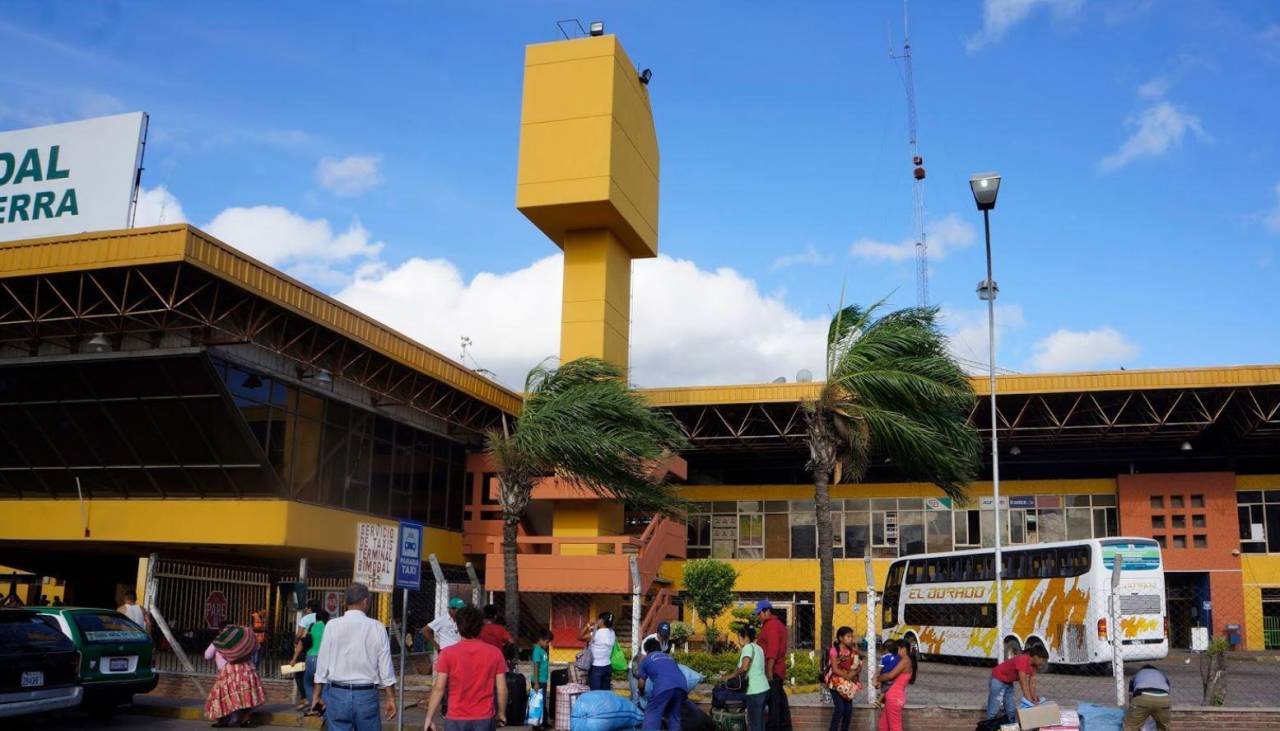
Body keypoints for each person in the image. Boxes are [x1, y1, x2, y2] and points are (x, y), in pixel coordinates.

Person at [311, 583, 397, 731]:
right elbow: (386, 668)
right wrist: (391, 698)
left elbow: (322, 665)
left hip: (338, 694)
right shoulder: (377, 627)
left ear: (345, 602)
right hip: (366, 695)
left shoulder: (332, 626)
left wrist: (316, 696)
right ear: (365, 601)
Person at [423, 605, 508, 731]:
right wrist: (501, 713)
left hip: (456, 717)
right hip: (484, 716)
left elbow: (439, 688)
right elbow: (502, 688)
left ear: (458, 627)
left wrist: (429, 717)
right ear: (481, 627)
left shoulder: (447, 653)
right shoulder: (495, 653)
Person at [204, 624, 266, 728]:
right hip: (247, 669)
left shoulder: (219, 642)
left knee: (223, 695)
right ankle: (245, 719)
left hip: (229, 671)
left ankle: (223, 719)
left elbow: (207, 655)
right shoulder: (245, 639)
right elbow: (256, 648)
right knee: (246, 695)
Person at [721, 625, 769, 731]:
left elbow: (744, 667)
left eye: (739, 637)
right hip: (764, 688)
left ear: (745, 637)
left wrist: (729, 676)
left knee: (754, 723)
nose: (738, 641)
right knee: (760, 722)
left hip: (754, 690)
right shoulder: (759, 648)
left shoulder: (747, 648)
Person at [636, 637, 687, 731]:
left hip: (664, 687)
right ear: (659, 648)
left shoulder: (646, 659)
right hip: (682, 686)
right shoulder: (669, 657)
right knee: (674, 717)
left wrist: (641, 692)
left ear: (647, 651)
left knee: (652, 715)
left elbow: (641, 683)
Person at [985, 645, 1048, 722]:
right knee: (994, 708)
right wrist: (1029, 700)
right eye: (1042, 659)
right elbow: (1023, 682)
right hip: (998, 679)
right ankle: (988, 725)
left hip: (1008, 682)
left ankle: (1011, 726)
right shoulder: (1022, 660)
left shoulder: (1033, 667)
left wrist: (1034, 697)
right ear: (1035, 657)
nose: (1043, 663)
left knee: (1011, 709)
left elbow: (1032, 683)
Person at [753, 601, 790, 731]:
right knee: (780, 702)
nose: (758, 616)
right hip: (776, 669)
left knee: (774, 705)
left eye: (759, 614)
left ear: (766, 611)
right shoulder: (774, 625)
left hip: (773, 670)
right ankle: (785, 727)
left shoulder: (771, 626)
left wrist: (769, 671)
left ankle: (774, 728)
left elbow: (772, 650)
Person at [874, 640, 917, 731]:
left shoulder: (905, 661)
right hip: (894, 696)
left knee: (895, 727)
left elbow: (890, 676)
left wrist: (877, 678)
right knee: (883, 724)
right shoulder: (907, 660)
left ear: (903, 649)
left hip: (894, 697)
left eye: (897, 649)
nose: (896, 652)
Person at [824, 627, 861, 731]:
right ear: (841, 638)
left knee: (848, 711)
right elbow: (835, 669)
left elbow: (859, 665)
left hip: (848, 685)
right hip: (835, 683)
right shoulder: (834, 650)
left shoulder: (852, 651)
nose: (851, 639)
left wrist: (855, 672)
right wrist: (848, 676)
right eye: (848, 637)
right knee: (840, 709)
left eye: (852, 637)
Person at [289, 600, 323, 709]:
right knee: (317, 678)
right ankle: (316, 699)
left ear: (309, 608)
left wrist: (295, 642)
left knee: (300, 674)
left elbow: (299, 635)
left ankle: (305, 698)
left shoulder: (306, 618)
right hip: (321, 652)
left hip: (306, 649)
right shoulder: (322, 619)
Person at [1123, 664, 1171, 731]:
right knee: (1164, 727)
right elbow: (1168, 692)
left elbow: (1131, 697)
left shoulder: (1137, 674)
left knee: (1130, 726)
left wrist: (1134, 711)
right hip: (1163, 699)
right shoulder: (1162, 675)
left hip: (1142, 697)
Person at [579, 611, 616, 692]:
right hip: (607, 666)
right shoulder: (612, 633)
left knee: (595, 693)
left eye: (598, 619)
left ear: (601, 621)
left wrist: (588, 625)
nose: (597, 621)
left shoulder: (596, 633)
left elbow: (580, 636)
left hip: (596, 667)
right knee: (605, 693)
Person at [874, 640, 900, 707]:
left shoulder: (884, 658)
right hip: (895, 677)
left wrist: (876, 677)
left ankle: (879, 701)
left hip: (884, 677)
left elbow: (879, 669)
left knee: (884, 690)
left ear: (886, 649)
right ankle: (884, 701)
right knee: (889, 691)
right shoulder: (898, 657)